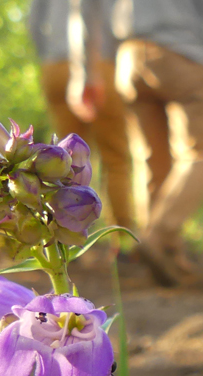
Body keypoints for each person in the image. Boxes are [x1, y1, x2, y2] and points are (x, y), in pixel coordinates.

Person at [107, 0, 203, 287]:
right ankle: (158, 236)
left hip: (129, 58)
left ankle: (169, 256)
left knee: (152, 158)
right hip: (182, 56)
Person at [29, 0, 136, 235]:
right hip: (101, 63)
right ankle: (123, 237)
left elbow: (33, 24)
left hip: (54, 66)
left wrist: (47, 55)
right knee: (115, 158)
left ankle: (59, 235)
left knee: (62, 159)